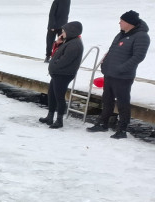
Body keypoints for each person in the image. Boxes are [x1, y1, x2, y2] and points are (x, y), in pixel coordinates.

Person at [88, 10, 150, 139]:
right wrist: (105, 64)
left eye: (122, 21)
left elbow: (138, 56)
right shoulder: (120, 34)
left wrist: (122, 68)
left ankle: (122, 129)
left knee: (122, 103)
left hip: (123, 76)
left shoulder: (141, 36)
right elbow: (111, 51)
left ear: (130, 23)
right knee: (107, 100)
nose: (119, 23)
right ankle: (103, 123)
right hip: (110, 73)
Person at [39, 23, 82, 127]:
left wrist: (54, 66)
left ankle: (59, 120)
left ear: (71, 31)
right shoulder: (69, 41)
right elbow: (57, 55)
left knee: (59, 97)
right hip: (57, 73)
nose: (61, 33)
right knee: (52, 94)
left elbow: (65, 60)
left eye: (64, 31)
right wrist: (58, 44)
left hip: (64, 74)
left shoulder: (74, 44)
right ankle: (50, 116)